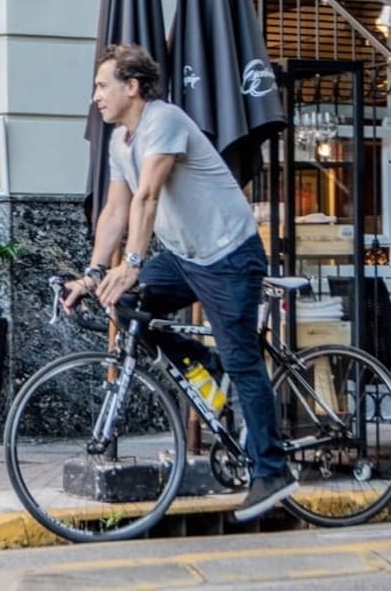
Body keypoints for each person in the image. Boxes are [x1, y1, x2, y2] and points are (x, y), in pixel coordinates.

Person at [64, 42, 297, 522]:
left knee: (244, 359)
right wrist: (94, 272)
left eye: (102, 86)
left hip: (229, 255)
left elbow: (149, 194)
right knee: (124, 302)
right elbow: (115, 210)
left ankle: (272, 471)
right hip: (186, 257)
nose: (96, 97)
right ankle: (203, 366)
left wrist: (130, 261)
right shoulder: (119, 141)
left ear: (132, 86)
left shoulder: (163, 120)